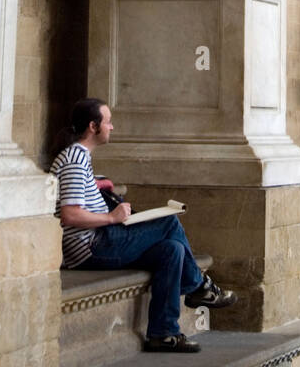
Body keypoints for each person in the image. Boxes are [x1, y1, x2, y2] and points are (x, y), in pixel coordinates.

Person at [50, 98, 236, 353]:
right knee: (169, 221)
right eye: (108, 122)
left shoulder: (79, 157)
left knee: (172, 250)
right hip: (90, 247)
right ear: (93, 127)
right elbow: (69, 215)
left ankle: (164, 333)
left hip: (102, 238)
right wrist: (111, 218)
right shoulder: (74, 159)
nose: (112, 127)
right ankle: (199, 286)